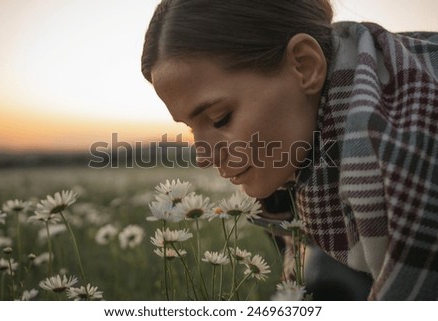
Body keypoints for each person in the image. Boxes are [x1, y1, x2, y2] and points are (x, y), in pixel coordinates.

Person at [141, 0, 438, 300]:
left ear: (305, 66)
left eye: (220, 118)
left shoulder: (411, 154)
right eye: (191, 127)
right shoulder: (290, 174)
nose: (203, 156)